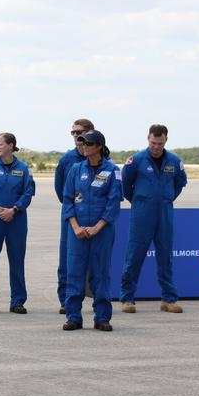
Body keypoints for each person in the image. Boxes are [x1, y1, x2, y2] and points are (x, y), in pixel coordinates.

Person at [119, 124, 188, 313]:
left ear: (166, 140)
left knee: (165, 256)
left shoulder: (174, 161)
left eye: (159, 143)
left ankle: (168, 298)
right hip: (142, 214)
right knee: (134, 256)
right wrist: (141, 202)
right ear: (147, 139)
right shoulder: (136, 160)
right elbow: (125, 186)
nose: (156, 146)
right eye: (152, 142)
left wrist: (166, 199)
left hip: (164, 214)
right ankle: (127, 298)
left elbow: (180, 184)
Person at [61, 130, 122, 331]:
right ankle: (73, 316)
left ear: (98, 147)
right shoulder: (76, 169)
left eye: (87, 143)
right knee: (75, 272)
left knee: (100, 273)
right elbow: (68, 200)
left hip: (101, 232)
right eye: (82, 143)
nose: (83, 146)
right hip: (77, 231)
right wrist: (76, 227)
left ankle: (102, 317)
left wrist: (97, 227)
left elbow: (113, 203)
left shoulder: (113, 171)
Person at [0, 133, 36, 314]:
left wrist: (14, 210)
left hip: (17, 220)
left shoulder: (24, 169)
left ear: (11, 146)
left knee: (17, 261)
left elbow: (28, 193)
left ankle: (17, 301)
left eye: (0, 144)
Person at [54, 118, 94, 313]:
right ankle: (66, 300)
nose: (77, 136)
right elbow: (60, 190)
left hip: (95, 218)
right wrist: (72, 213)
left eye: (80, 132)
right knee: (67, 259)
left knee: (97, 261)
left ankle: (97, 298)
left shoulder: (101, 159)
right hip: (71, 217)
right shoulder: (67, 160)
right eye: (73, 133)